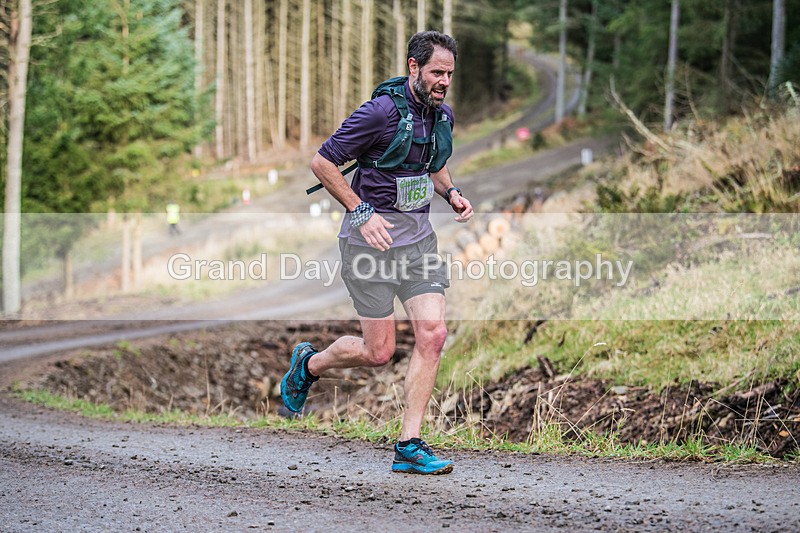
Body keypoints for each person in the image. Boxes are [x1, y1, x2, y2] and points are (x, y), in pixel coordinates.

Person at [281, 31, 473, 475]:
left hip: (417, 243)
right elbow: (323, 162)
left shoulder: (442, 115)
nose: (444, 81)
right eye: (436, 73)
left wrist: (452, 193)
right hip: (369, 245)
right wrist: (361, 210)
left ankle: (409, 445)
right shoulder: (380, 112)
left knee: (433, 334)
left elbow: (433, 163)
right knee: (378, 351)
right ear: (413, 67)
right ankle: (309, 365)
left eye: (449, 74)